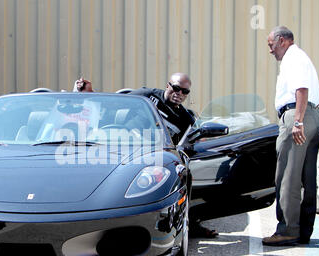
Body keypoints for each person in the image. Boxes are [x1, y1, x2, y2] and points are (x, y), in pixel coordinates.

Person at [73, 74, 219, 238]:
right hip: (123, 147)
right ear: (167, 85)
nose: (179, 94)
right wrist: (91, 93)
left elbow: (190, 144)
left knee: (184, 173)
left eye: (185, 91)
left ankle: (190, 223)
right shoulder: (147, 96)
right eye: (176, 88)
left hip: (153, 157)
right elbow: (114, 102)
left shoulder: (185, 119)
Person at [262, 26, 319, 246]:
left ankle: (288, 229)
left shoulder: (292, 58)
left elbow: (301, 89)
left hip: (298, 116)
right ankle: (303, 230)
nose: (271, 51)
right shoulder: (301, 57)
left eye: (271, 45)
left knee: (288, 175)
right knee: (307, 178)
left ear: (282, 41)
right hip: (313, 116)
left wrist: (296, 121)